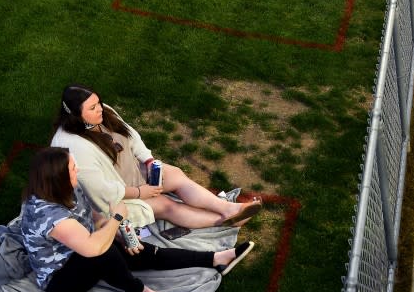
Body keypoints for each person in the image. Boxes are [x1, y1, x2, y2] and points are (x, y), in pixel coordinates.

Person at [20, 147, 255, 292]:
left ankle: (214, 259)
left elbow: (92, 217)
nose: (78, 170)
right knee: (104, 253)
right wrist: (117, 218)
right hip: (61, 277)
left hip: (85, 247)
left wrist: (122, 235)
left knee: (140, 249)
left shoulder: (69, 188)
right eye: (73, 168)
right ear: (58, 178)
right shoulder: (49, 216)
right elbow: (91, 248)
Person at [50, 83, 262, 229]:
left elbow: (130, 136)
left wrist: (148, 161)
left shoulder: (103, 113)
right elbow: (100, 192)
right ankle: (221, 221)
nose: (100, 110)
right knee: (166, 206)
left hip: (130, 175)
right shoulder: (73, 146)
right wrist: (140, 192)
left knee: (176, 174)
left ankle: (229, 209)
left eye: (99, 102)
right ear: (76, 115)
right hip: (110, 200)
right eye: (93, 107)